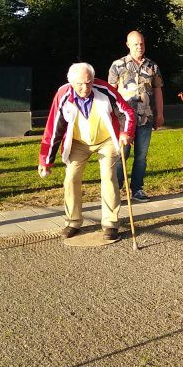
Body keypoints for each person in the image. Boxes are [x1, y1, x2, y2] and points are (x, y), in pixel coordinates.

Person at [38, 63, 135, 240]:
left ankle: (110, 224)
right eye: (80, 84)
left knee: (108, 176)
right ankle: (72, 222)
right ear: (71, 82)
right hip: (78, 142)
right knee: (71, 178)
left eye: (89, 83)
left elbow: (126, 112)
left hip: (106, 140)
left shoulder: (104, 89)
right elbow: (54, 129)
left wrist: (125, 133)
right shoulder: (63, 95)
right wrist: (46, 160)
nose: (85, 88)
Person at [108, 31, 165, 202]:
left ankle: (137, 189)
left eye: (142, 43)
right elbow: (110, 93)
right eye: (136, 44)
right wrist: (111, 117)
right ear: (128, 45)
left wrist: (160, 114)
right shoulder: (118, 65)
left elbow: (158, 91)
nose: (139, 47)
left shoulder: (153, 66)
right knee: (121, 155)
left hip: (146, 118)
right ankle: (116, 189)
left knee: (141, 157)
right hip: (124, 120)